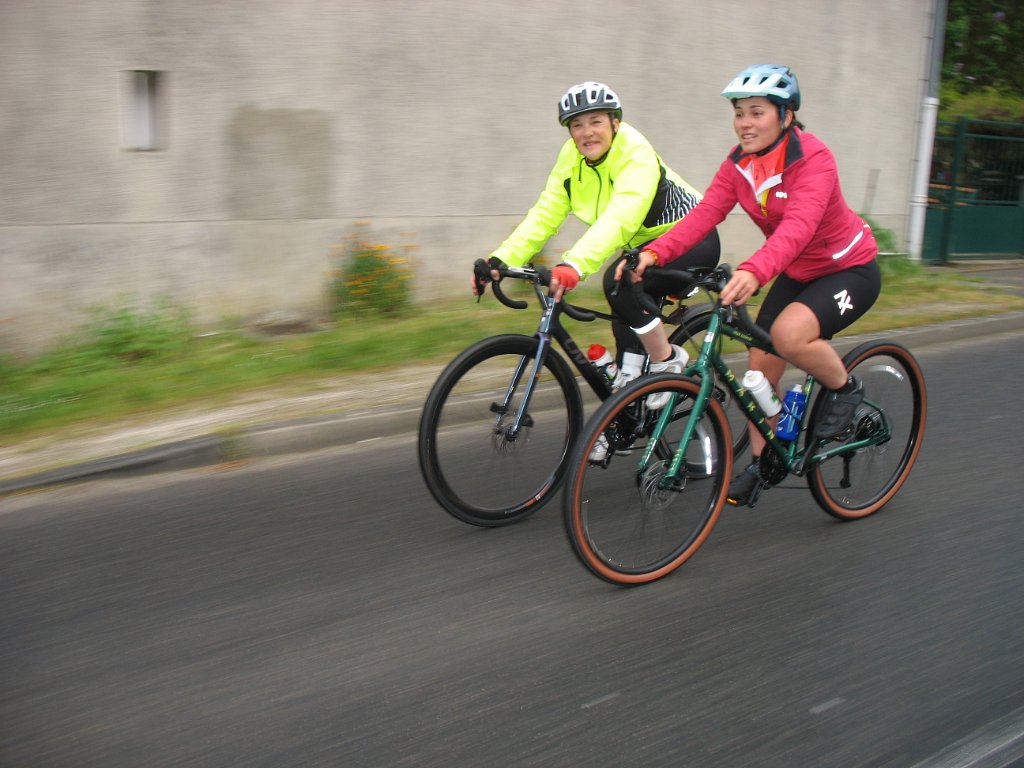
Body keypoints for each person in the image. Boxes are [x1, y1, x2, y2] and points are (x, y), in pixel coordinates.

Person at [627, 64, 881, 505]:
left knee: (789, 335)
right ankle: (766, 463)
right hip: (797, 272)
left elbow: (798, 227)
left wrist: (754, 271)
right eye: (739, 113)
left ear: (786, 116)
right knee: (759, 369)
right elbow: (705, 214)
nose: (745, 122)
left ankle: (846, 389)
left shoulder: (813, 159)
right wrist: (656, 252)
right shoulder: (740, 163)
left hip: (848, 269)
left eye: (757, 112)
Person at [473, 80, 721, 388]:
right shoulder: (571, 158)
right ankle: (630, 403)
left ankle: (668, 360)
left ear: (615, 123)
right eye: (577, 125)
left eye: (596, 121)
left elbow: (622, 216)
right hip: (643, 246)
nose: (587, 132)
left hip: (691, 238)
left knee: (619, 283)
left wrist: (574, 265)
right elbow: (545, 214)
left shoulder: (635, 152)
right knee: (624, 324)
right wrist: (500, 260)